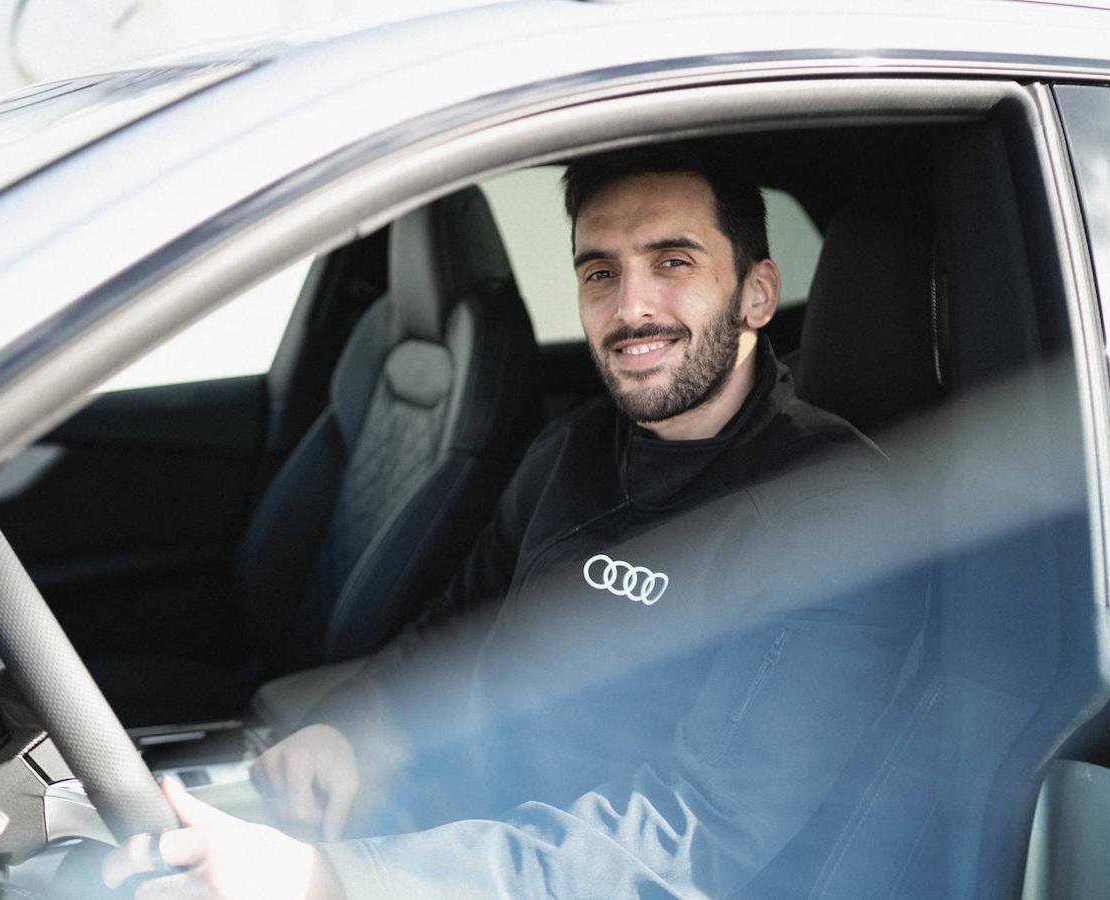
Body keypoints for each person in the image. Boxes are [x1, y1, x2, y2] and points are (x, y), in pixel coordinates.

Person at [104, 144, 924, 898]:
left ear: (757, 293)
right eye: (599, 273)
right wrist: (353, 730)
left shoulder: (835, 514)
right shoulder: (572, 450)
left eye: (673, 262)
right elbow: (460, 620)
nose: (631, 307)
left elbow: (693, 835)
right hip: (456, 845)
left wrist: (332, 880)